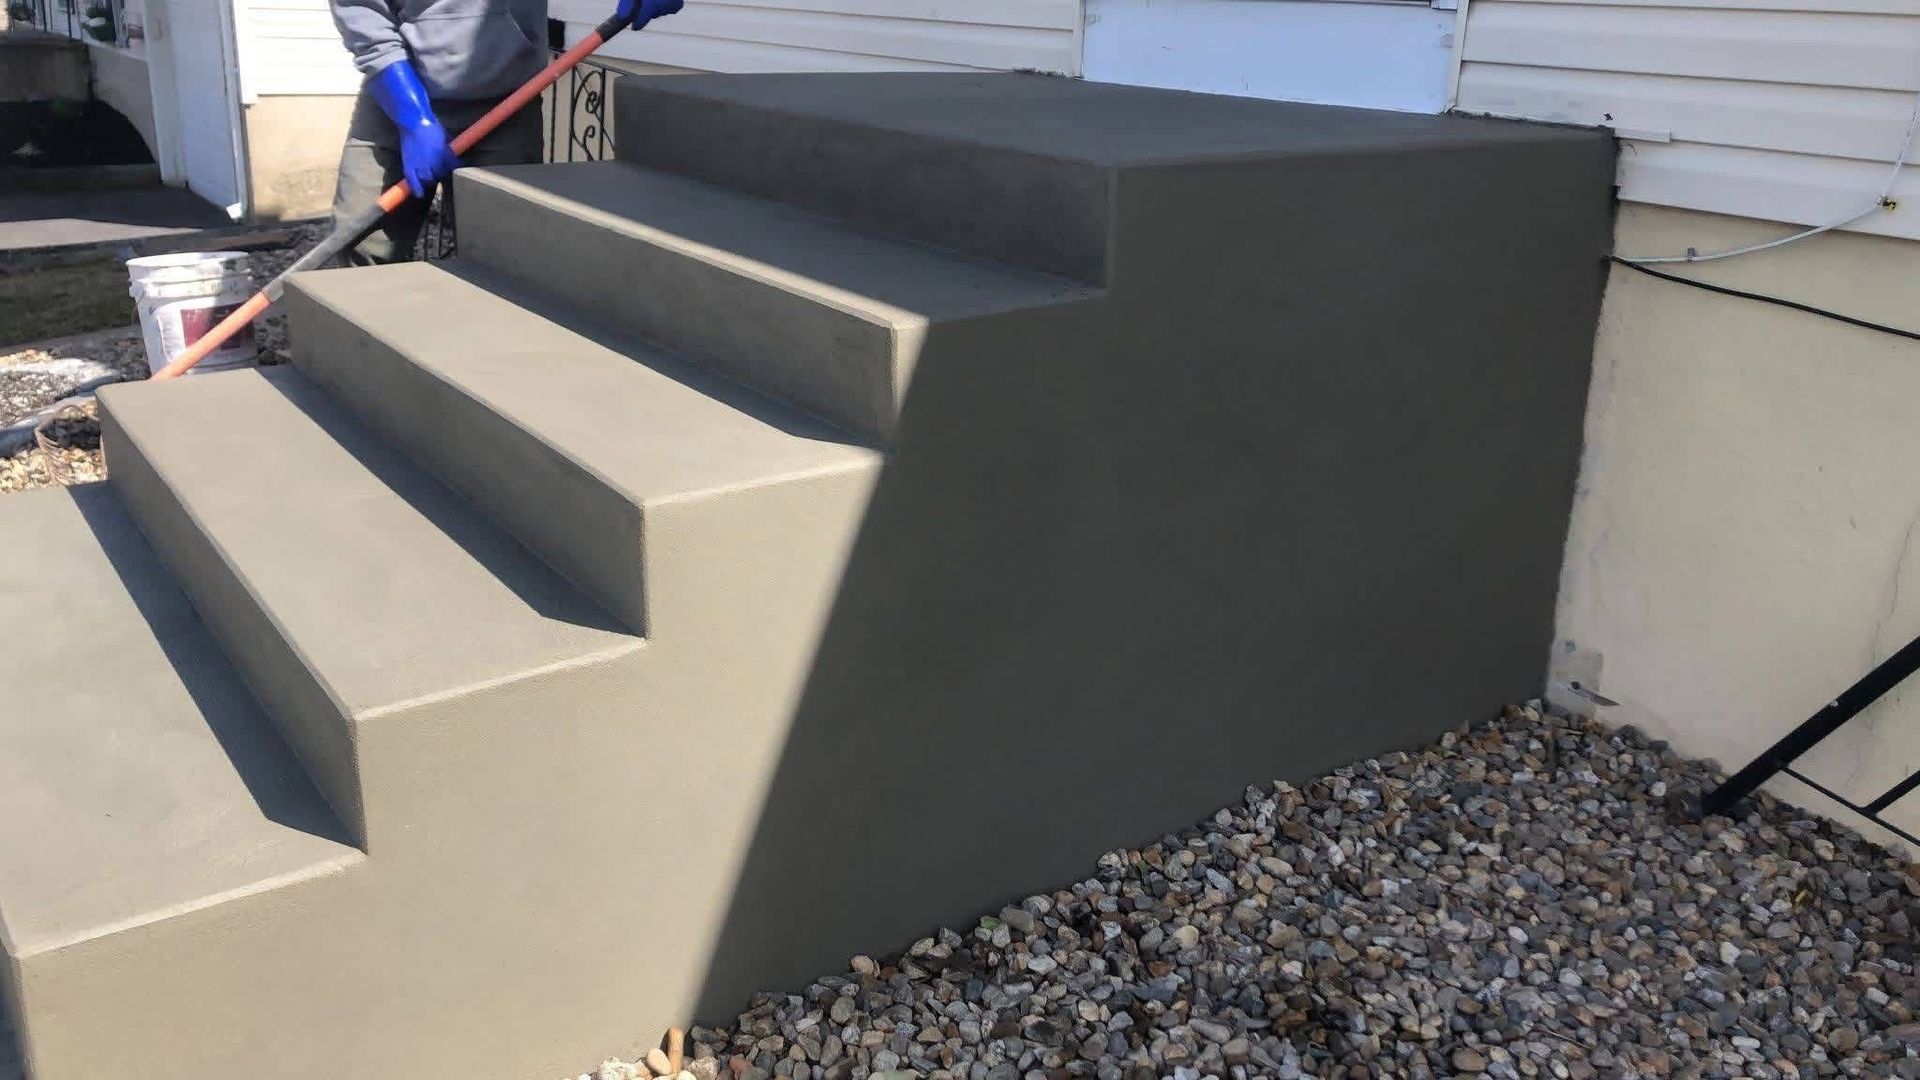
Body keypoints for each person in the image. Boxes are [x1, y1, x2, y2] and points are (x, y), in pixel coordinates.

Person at [329, 0, 683, 265]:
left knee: (505, 262)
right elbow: (360, 9)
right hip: (395, 96)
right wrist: (412, 118)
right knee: (357, 248)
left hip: (507, 104)